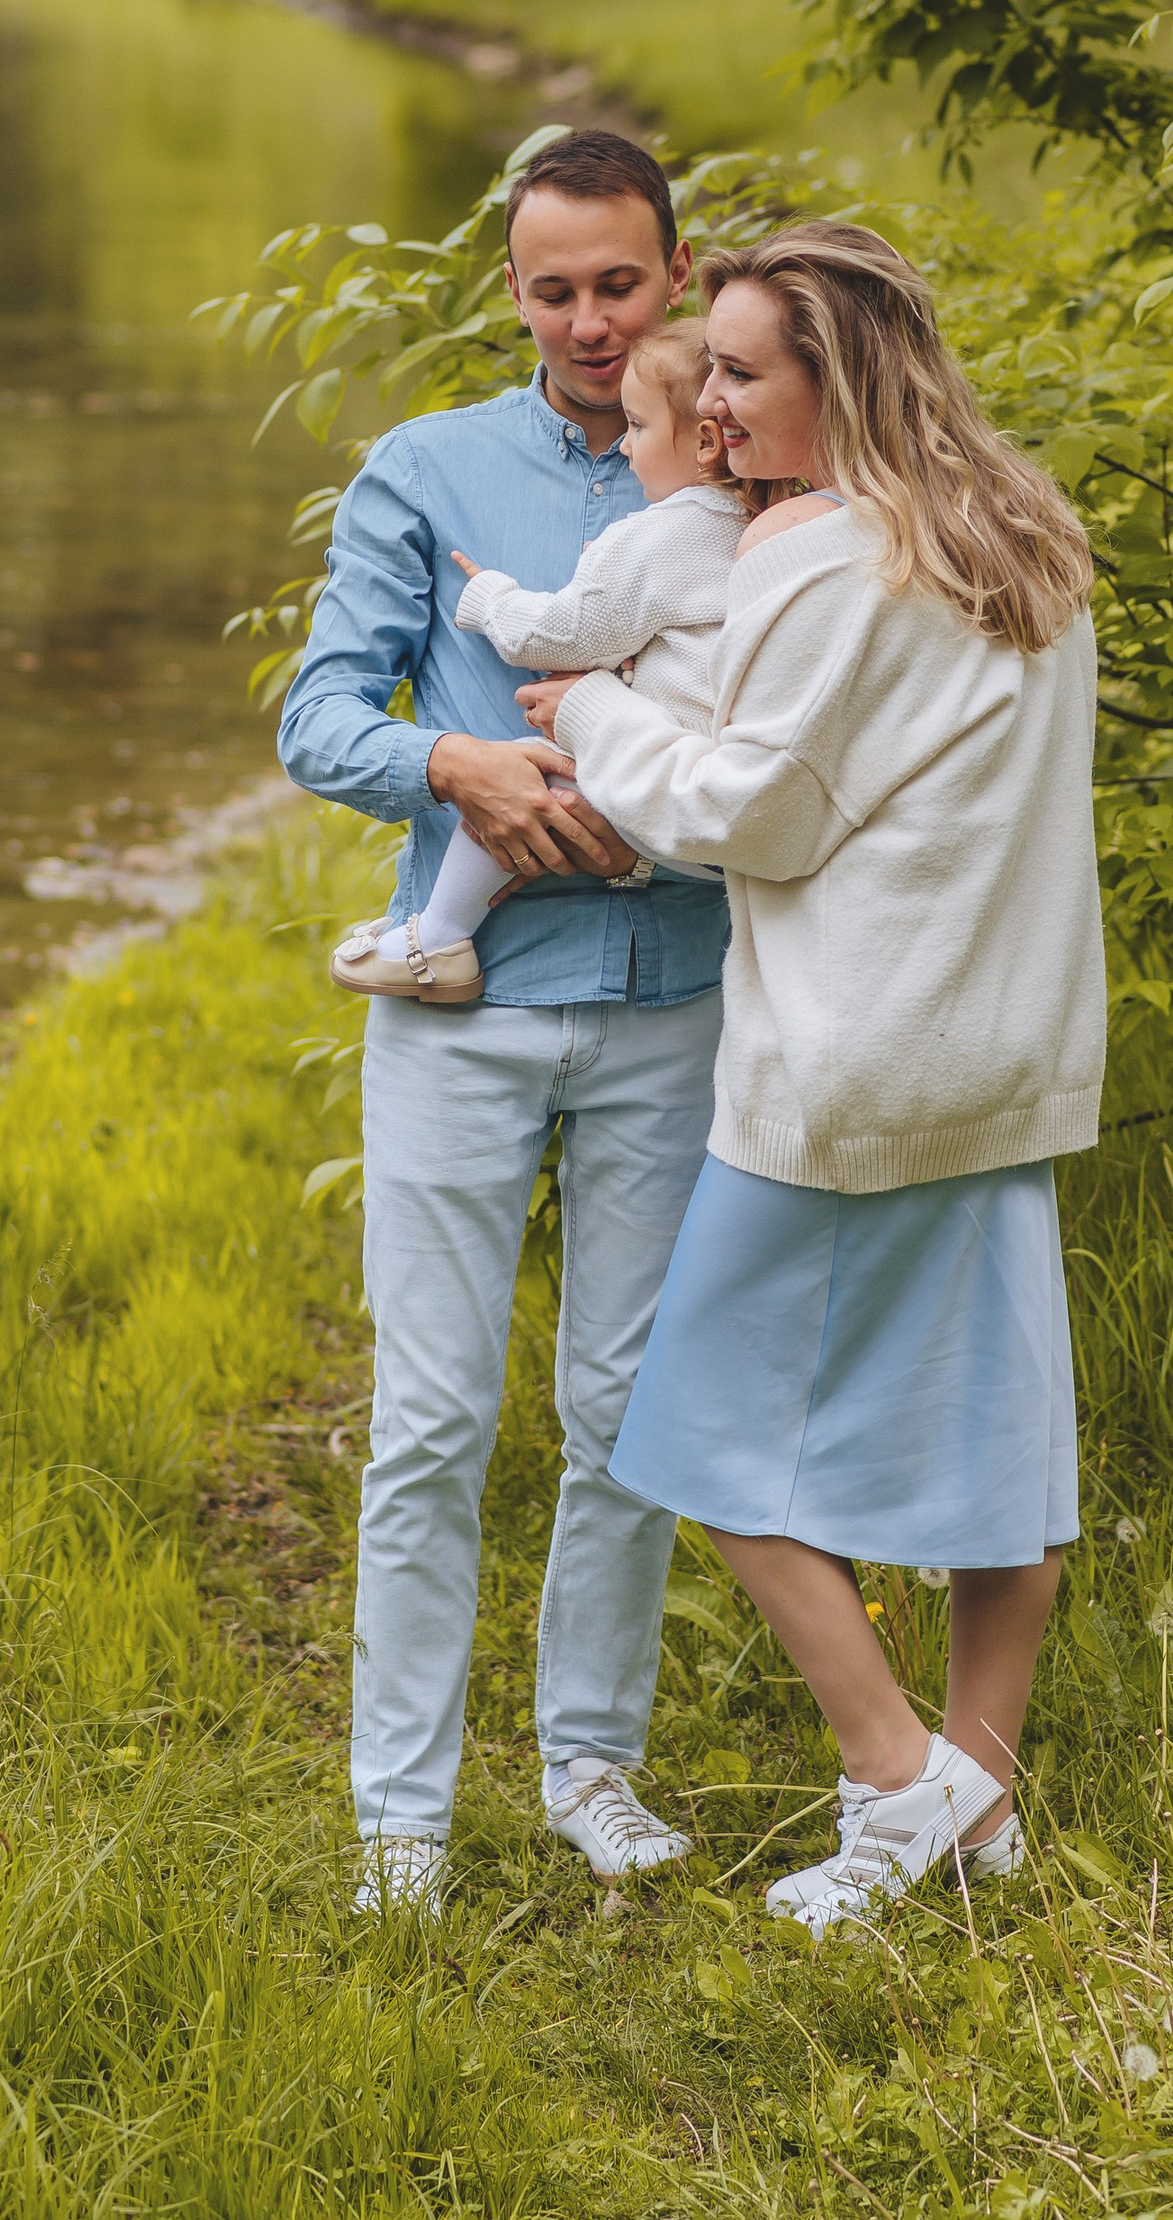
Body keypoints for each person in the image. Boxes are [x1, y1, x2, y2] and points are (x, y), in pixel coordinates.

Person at [517, 219, 1105, 1941]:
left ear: (835, 383)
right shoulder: (1022, 534)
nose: (707, 406)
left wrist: (591, 710)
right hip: (1001, 1050)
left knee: (691, 1433)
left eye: (742, 373)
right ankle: (981, 1801)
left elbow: (744, 813)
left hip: (851, 1066)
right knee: (999, 1441)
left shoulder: (828, 556)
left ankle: (894, 1773)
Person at [277, 131, 729, 1913]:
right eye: (556, 290)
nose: (592, 321)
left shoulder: (754, 460)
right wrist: (450, 759)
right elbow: (320, 714)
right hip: (462, 1014)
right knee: (432, 1418)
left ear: (676, 271)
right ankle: (401, 1815)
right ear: (514, 291)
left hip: (675, 995)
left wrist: (676, 810)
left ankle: (590, 1767)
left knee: (627, 1409)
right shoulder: (427, 466)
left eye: (620, 283)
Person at [329, 317, 745, 1004]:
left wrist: (489, 597)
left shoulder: (662, 531)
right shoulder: (759, 525)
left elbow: (565, 634)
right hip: (717, 803)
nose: (628, 447)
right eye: (555, 293)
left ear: (704, 441)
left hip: (651, 777)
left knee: (527, 782)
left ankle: (439, 937)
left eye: (638, 426)